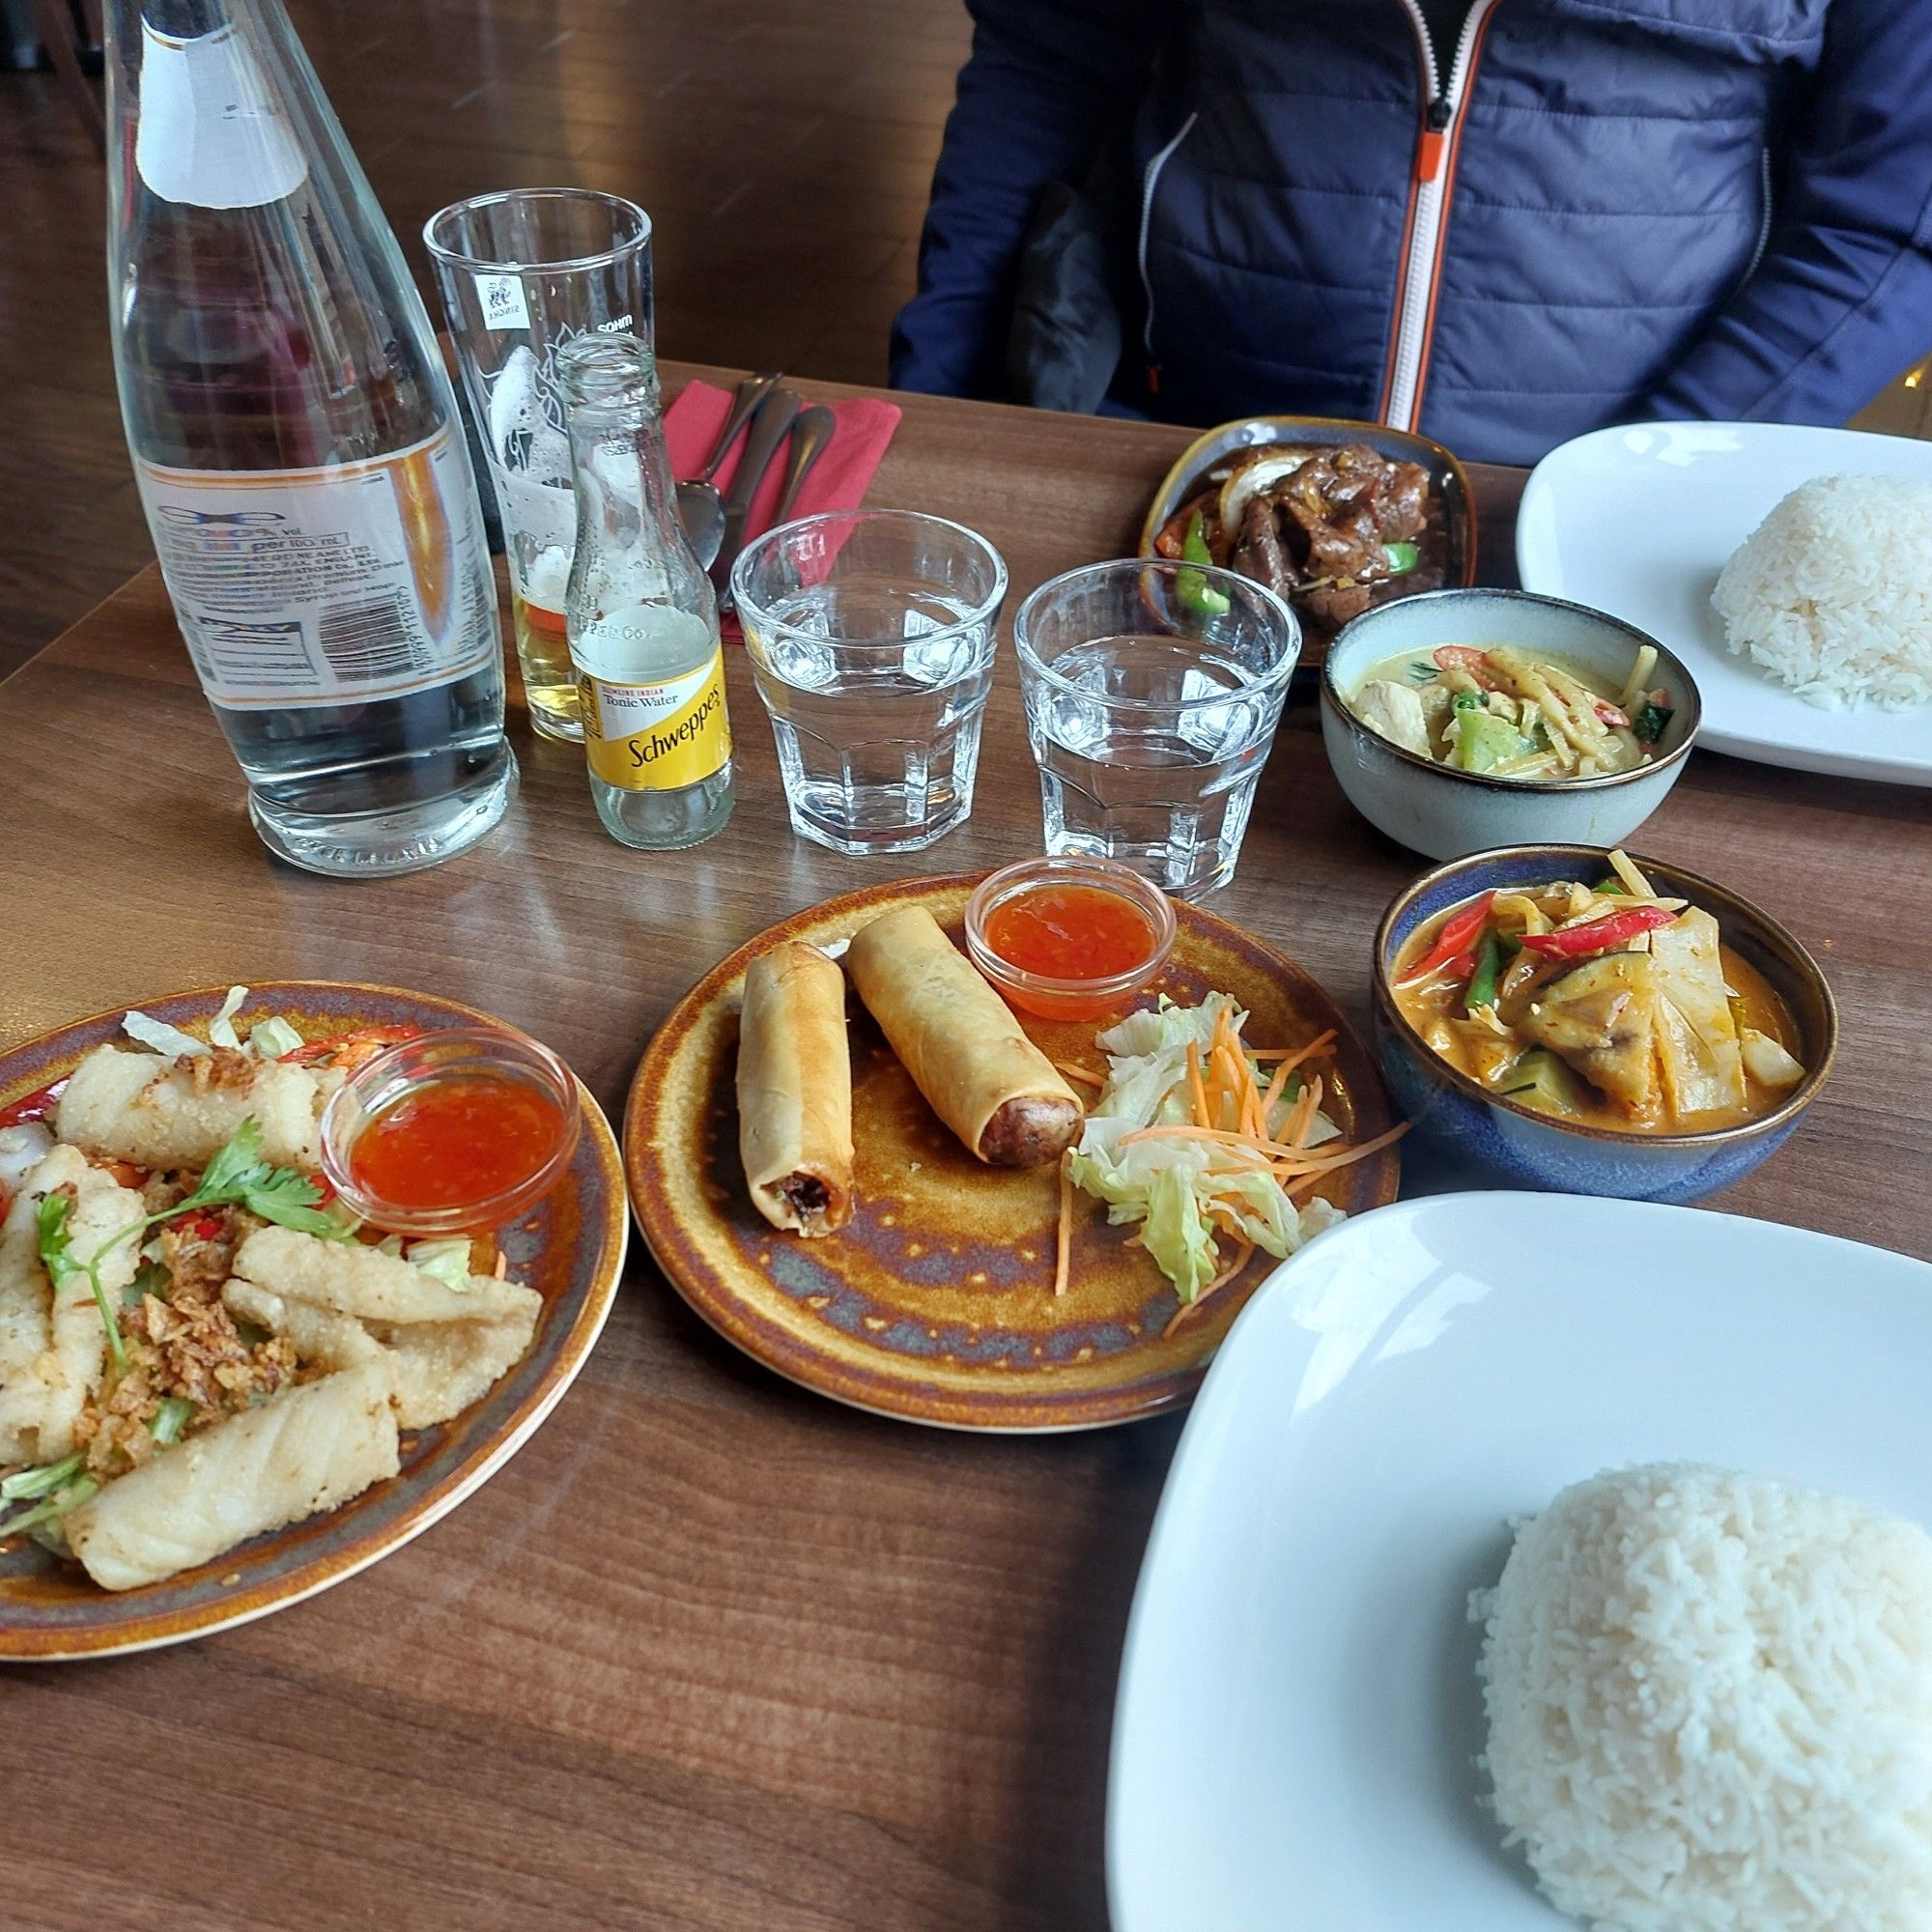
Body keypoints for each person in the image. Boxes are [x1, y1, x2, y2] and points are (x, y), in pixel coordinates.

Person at [890, 0, 1932, 465]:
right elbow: (1046, 61)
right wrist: (927, 406)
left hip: (1603, 496)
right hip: (1179, 452)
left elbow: (1888, 217)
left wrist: (1630, 483)